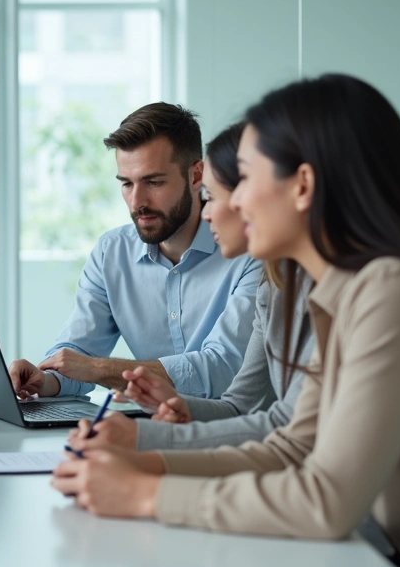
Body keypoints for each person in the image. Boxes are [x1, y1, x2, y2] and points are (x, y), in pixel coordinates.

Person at [53, 74, 400, 567]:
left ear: (303, 185)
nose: (225, 202)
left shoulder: (392, 290)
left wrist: (146, 492)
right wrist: (144, 457)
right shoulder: (345, 290)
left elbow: (325, 500)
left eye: (245, 178)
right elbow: (293, 441)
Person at [68, 122, 315, 451]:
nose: (207, 214)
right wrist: (173, 409)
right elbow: (241, 408)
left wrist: (143, 444)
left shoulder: (343, 291)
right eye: (126, 183)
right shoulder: (277, 287)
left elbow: (291, 437)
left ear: (298, 189)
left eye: (211, 197)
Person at [10, 103, 261, 400]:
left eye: (153, 182)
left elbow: (224, 368)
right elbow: (78, 352)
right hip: (149, 423)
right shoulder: (111, 253)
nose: (137, 202)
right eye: (127, 184)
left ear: (196, 176)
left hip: (234, 425)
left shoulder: (250, 251)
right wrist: (46, 380)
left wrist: (98, 368)